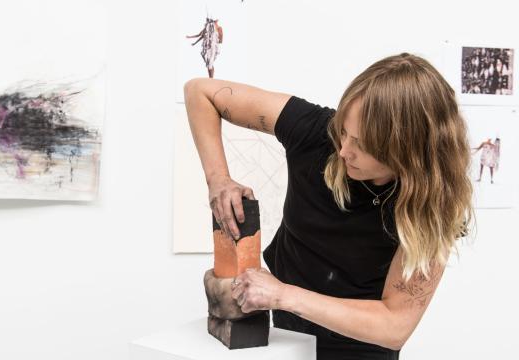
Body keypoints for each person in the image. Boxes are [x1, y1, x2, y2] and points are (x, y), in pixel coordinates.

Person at [183, 53, 473, 359]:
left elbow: (394, 326)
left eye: (362, 145)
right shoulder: (318, 134)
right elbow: (199, 92)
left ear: (406, 150)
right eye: (344, 131)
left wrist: (283, 295)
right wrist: (218, 179)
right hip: (285, 340)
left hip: (359, 351)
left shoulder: (431, 205)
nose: (344, 150)